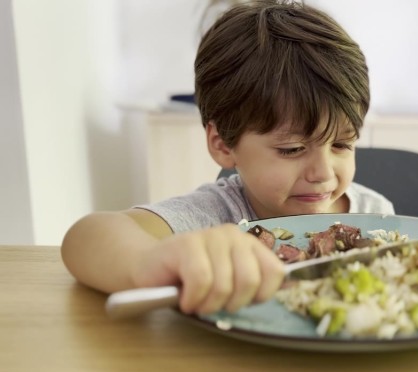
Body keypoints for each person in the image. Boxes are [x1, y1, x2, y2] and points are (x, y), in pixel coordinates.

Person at [61, 0, 394, 317]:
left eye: (342, 145)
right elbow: (85, 237)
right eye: (291, 150)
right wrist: (148, 261)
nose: (323, 173)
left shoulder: (377, 215)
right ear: (223, 145)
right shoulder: (213, 217)